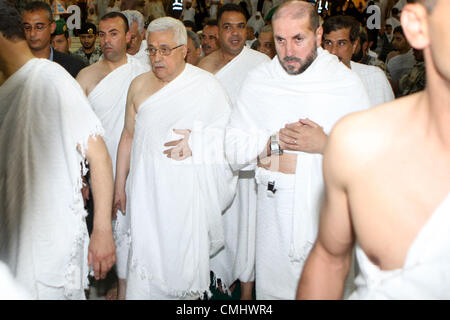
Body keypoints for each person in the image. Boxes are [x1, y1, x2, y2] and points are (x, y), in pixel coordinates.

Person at [297, 0, 450, 300]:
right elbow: (329, 260)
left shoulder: (373, 81)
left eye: (341, 43)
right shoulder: (360, 143)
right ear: (419, 26)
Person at [225, 0, 370, 300]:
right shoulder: (260, 81)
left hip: (327, 224)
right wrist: (272, 144)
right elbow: (232, 148)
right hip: (272, 225)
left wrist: (325, 145)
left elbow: (367, 158)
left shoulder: (343, 83)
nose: (288, 51)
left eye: (298, 39)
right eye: (280, 40)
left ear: (318, 35)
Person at [0, 0, 116, 299]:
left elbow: (99, 156)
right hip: (13, 228)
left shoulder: (52, 79)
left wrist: (102, 231)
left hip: (49, 234)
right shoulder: (9, 86)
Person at [114, 16, 236, 300]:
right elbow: (128, 136)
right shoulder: (138, 85)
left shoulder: (206, 87)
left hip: (186, 198)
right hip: (145, 193)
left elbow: (229, 139)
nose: (157, 57)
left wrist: (200, 143)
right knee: (145, 266)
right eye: (152, 50)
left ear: (184, 50)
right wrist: (120, 185)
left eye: (165, 50)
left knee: (181, 273)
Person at [198, 3, 270, 300]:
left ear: (247, 30)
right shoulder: (203, 67)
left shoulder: (261, 64)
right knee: (218, 225)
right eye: (228, 27)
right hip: (214, 161)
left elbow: (270, 116)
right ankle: (217, 286)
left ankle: (246, 294)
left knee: (248, 229)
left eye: (240, 26)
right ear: (217, 31)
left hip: (249, 161)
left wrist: (270, 155)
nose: (235, 33)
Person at [76, 11, 150, 300]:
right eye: (103, 34)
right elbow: (75, 133)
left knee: (136, 232)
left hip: (137, 167)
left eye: (114, 33)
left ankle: (130, 287)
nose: (107, 40)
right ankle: (106, 287)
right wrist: (79, 176)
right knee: (103, 230)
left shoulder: (143, 72)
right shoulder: (86, 76)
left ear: (129, 36)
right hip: (98, 172)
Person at [322, 15, 394, 107]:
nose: (333, 51)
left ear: (354, 46)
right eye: (328, 43)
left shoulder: (374, 78)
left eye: (341, 43)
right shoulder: (313, 80)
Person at [22, 1, 86, 77]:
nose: (32, 33)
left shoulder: (74, 67)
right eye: (27, 28)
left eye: (39, 27)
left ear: (52, 27)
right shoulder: (12, 65)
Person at [387, 26, 417, 93]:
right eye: (393, 38)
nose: (394, 42)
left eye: (398, 39)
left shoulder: (415, 56)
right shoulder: (390, 56)